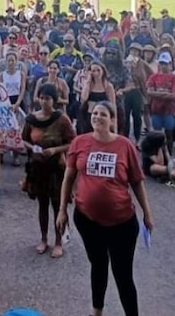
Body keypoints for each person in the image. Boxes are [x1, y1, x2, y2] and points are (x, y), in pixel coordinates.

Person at [57, 101, 153, 316]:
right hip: (87, 220)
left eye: (103, 114)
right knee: (98, 265)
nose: (97, 117)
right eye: (95, 113)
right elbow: (68, 177)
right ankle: (96, 311)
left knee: (123, 275)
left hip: (122, 223)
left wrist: (147, 213)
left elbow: (137, 181)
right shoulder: (79, 142)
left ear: (112, 120)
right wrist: (62, 209)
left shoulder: (124, 145)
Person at [21, 83, 76, 259]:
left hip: (56, 168)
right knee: (42, 204)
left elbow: (72, 142)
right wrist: (33, 148)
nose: (45, 102)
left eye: (48, 98)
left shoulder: (61, 119)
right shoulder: (31, 119)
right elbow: (24, 140)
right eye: (42, 98)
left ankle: (58, 241)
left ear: (55, 100)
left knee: (57, 205)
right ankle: (44, 239)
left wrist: (55, 150)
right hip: (38, 167)